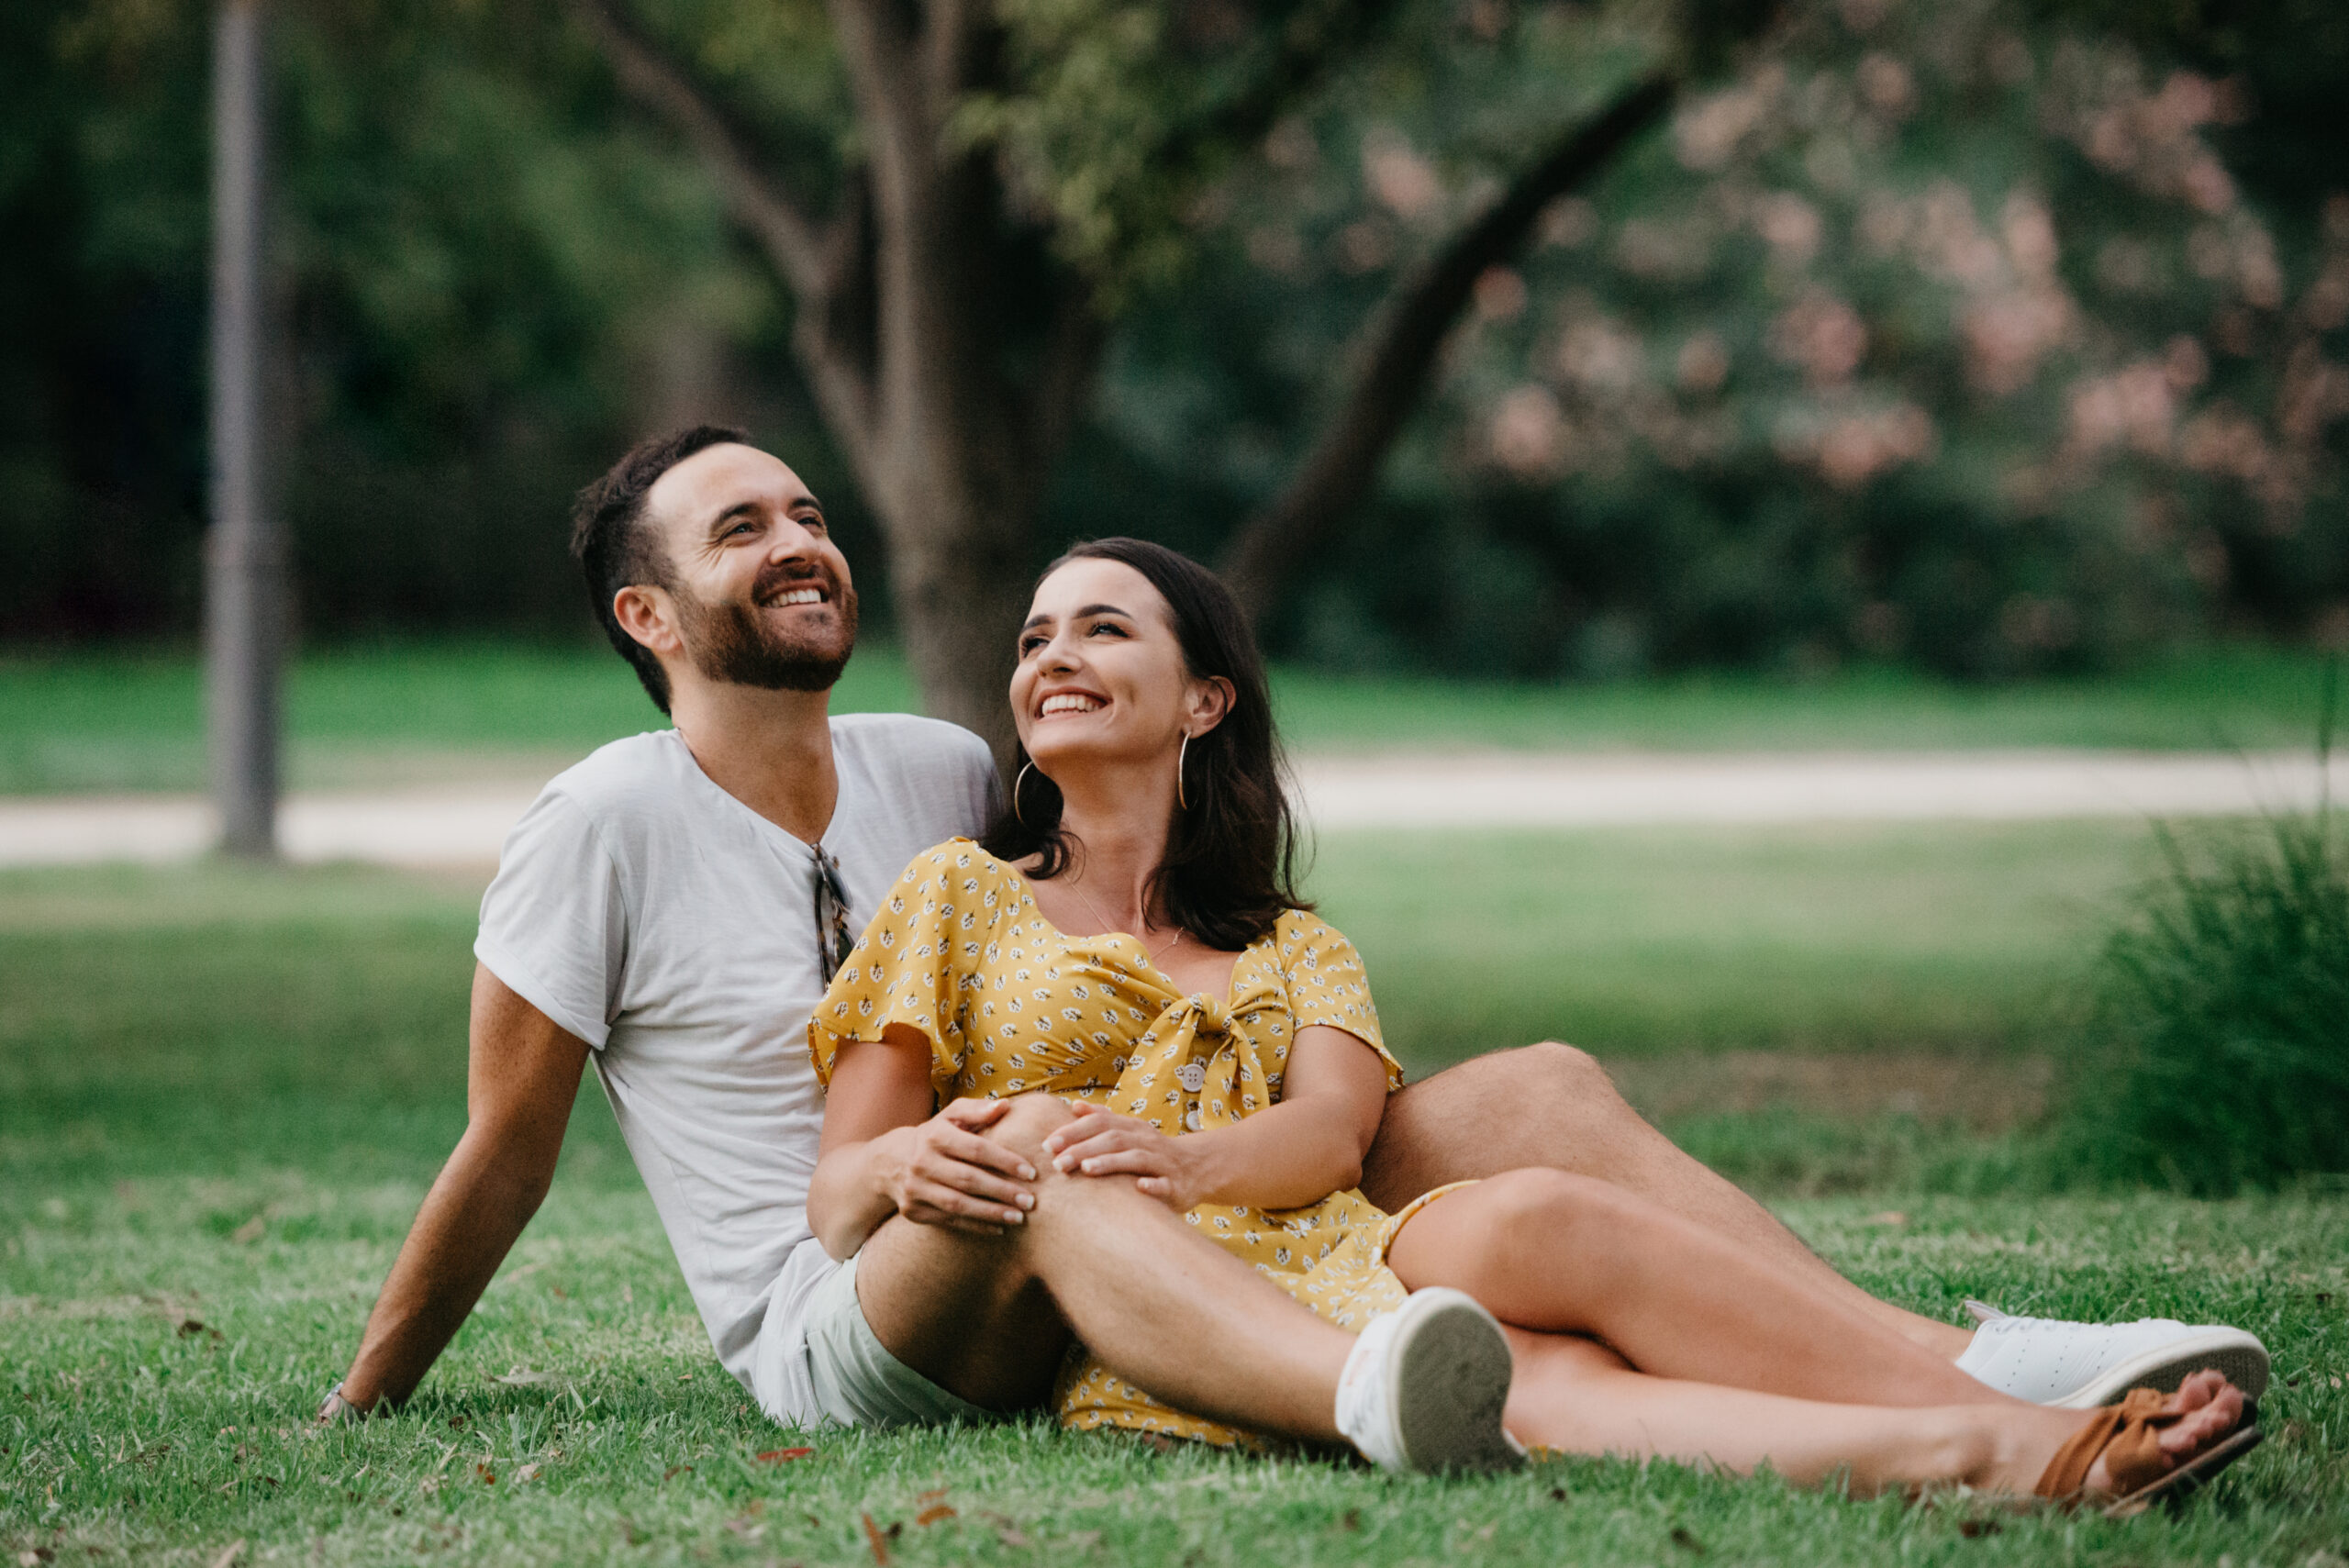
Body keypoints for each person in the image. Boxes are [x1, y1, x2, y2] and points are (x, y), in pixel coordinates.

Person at [318, 426, 2265, 1461]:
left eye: (808, 512)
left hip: (1146, 1198)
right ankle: (1372, 1390)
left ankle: (1975, 1362)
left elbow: (1138, 936)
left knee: (1532, 1092)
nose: (799, 542)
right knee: (1033, 1181)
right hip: (858, 1301)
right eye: (740, 531)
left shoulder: (933, 766)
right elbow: (507, 1147)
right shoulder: (599, 826)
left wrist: (1227, 1097)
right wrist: (369, 1400)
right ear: (652, 617)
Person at [806, 535, 2262, 1506]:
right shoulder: (958, 895)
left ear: (1202, 700)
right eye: (1035, 634)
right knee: (1550, 1386)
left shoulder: (1289, 940)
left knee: (1554, 1233)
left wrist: (1186, 1159)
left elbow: (1330, 1133)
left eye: (1102, 627)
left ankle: (2013, 1417)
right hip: (1152, 1297)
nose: (1050, 653)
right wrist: (919, 1166)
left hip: (1321, 1232)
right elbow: (838, 1186)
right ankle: (2006, 1449)